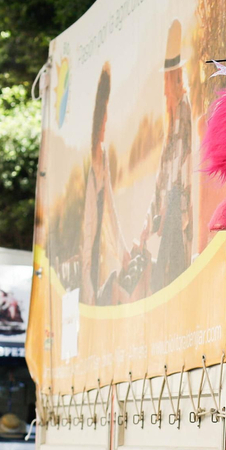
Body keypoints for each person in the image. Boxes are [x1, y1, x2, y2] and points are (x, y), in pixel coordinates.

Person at [147, 20, 195, 294]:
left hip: (177, 205)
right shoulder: (175, 113)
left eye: (166, 80)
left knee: (168, 277)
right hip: (171, 204)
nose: (164, 89)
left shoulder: (184, 110)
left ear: (174, 79)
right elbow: (163, 173)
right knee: (163, 277)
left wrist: (167, 208)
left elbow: (180, 163)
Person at [79, 64, 125, 305]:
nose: (107, 118)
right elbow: (91, 221)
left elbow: (110, 211)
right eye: (105, 110)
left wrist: (123, 250)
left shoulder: (101, 155)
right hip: (89, 255)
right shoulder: (91, 157)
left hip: (96, 255)